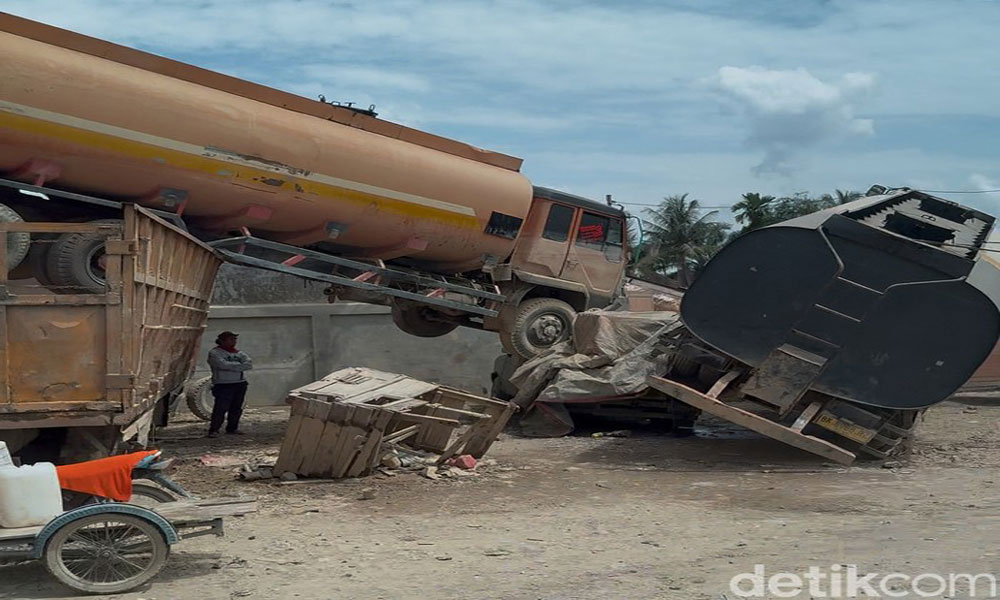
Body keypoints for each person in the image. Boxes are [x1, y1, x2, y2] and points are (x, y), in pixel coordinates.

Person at [206, 331, 252, 438]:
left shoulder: (239, 353)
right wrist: (238, 365)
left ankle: (232, 428)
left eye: (234, 339)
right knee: (220, 408)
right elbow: (221, 364)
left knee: (236, 408)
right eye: (231, 339)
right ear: (222, 341)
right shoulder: (215, 353)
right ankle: (214, 430)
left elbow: (248, 364)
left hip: (239, 383)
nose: (234, 341)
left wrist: (232, 366)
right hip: (223, 384)